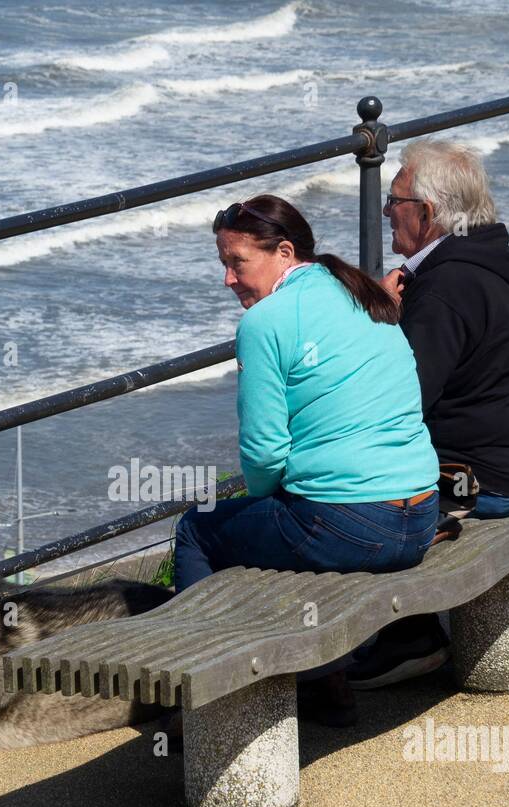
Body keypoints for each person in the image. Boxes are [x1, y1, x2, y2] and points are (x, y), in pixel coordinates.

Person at [170, 195, 440, 725]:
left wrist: (274, 505)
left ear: (285, 252)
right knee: (286, 519)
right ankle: (323, 685)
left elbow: (263, 455)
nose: (228, 279)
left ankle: (212, 703)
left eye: (237, 262)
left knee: (198, 529)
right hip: (421, 513)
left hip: (353, 525)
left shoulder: (266, 322)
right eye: (223, 264)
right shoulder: (362, 294)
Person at [345, 138, 509, 691]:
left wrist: (379, 325)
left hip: (479, 480)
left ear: (427, 214)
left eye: (394, 201)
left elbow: (401, 403)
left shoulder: (445, 288)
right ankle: (407, 636)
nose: (387, 212)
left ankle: (407, 640)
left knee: (351, 493)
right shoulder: (489, 261)